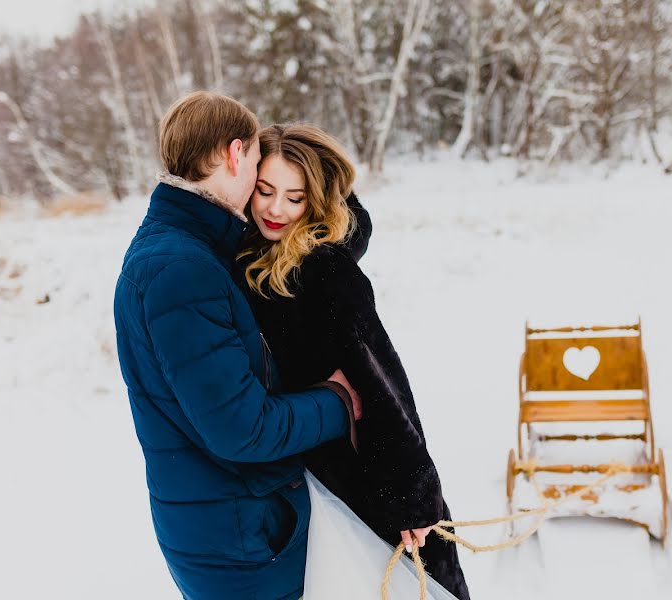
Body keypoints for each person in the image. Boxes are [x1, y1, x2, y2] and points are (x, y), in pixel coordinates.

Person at [113, 93, 360, 600]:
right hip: (241, 541)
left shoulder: (180, 247)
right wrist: (337, 403)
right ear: (234, 154)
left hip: (221, 523)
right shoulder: (184, 270)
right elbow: (242, 430)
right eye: (255, 162)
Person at [237, 123, 471, 600]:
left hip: (361, 478)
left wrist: (414, 499)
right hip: (304, 470)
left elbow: (385, 387)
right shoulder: (248, 256)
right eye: (265, 191)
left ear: (316, 203)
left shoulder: (326, 272)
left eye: (295, 198)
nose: (276, 209)